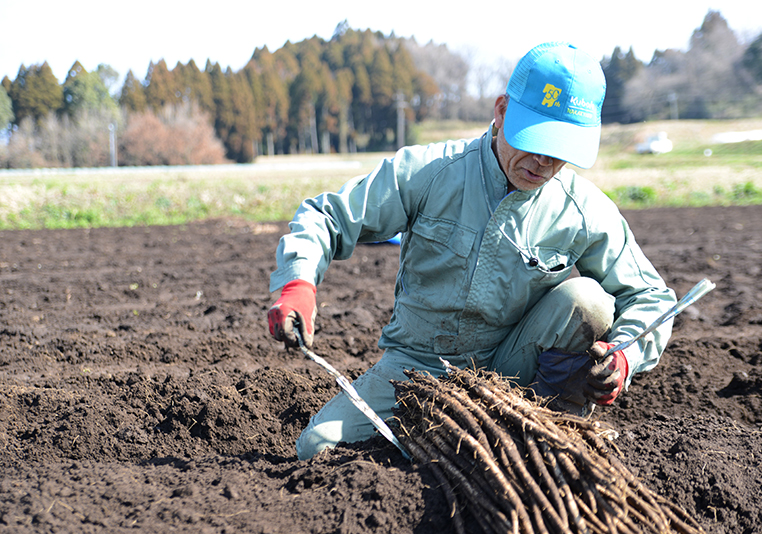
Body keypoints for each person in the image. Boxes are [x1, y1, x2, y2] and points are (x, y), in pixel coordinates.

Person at [268, 42, 677, 460]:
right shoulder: (431, 172)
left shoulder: (582, 209)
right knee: (316, 450)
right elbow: (329, 216)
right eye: (533, 141)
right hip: (415, 370)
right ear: (501, 111)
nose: (543, 163)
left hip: (515, 370)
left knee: (586, 299)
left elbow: (651, 296)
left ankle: (554, 427)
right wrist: (299, 282)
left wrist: (625, 354)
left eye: (560, 153)